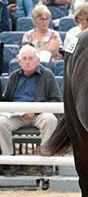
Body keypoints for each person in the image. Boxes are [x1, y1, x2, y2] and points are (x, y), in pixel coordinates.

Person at [0, 44, 62, 175]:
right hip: (17, 114)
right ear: (19, 61)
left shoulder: (47, 75)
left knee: (50, 119)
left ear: (37, 60)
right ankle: (8, 161)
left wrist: (36, 111)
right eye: (24, 58)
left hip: (39, 114)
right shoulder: (13, 76)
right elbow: (7, 100)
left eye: (31, 58)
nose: (27, 62)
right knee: (1, 122)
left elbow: (56, 100)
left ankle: (46, 161)